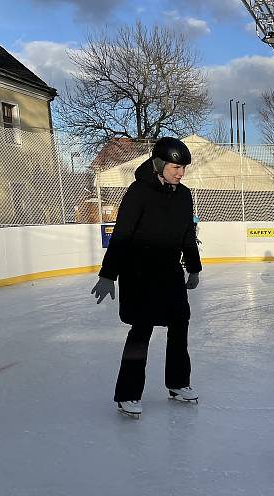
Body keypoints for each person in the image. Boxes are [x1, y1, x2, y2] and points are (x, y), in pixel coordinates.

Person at [90, 137, 202, 418]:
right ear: (159, 164)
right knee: (141, 332)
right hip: (139, 275)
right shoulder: (139, 192)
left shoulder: (184, 195)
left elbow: (188, 233)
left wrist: (194, 266)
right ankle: (127, 394)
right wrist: (108, 274)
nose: (180, 172)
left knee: (180, 326)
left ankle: (178, 383)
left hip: (170, 273)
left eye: (183, 168)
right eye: (176, 166)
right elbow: (122, 234)